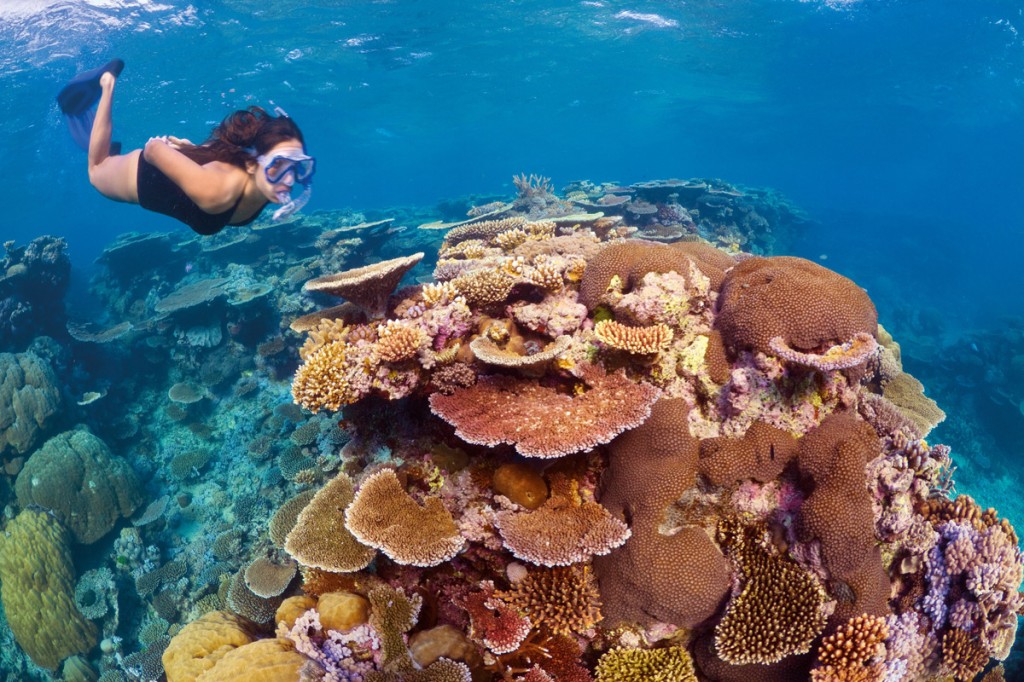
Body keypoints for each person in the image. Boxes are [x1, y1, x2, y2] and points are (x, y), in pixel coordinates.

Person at [57, 60, 315, 235]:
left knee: (107, 157)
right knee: (96, 168)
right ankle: (107, 82)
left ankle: (110, 144)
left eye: (298, 167)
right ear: (252, 163)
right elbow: (153, 150)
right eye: (279, 164)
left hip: (183, 172)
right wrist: (165, 151)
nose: (290, 180)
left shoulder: (261, 182)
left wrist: (196, 151)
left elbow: (230, 157)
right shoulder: (217, 191)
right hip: (143, 175)